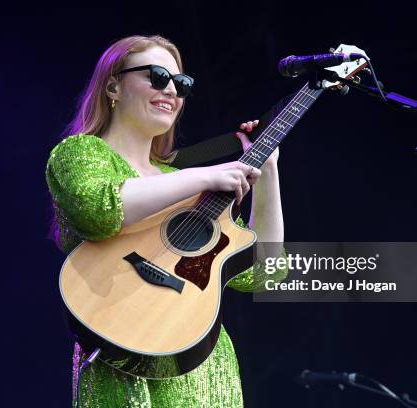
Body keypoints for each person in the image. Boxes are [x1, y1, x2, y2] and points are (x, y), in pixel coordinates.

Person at [46, 35, 286, 408]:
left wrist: (267, 171)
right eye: (158, 76)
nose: (172, 90)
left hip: (202, 364)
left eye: (182, 83)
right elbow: (100, 208)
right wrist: (205, 176)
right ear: (113, 84)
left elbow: (265, 272)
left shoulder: (184, 186)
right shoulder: (80, 152)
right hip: (123, 358)